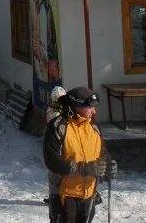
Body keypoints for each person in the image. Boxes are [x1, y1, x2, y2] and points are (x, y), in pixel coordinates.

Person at [43, 86, 117, 223]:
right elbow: (51, 161)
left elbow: (102, 154)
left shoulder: (94, 128)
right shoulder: (59, 126)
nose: (95, 111)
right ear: (77, 106)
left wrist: (108, 166)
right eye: (91, 107)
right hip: (64, 196)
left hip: (89, 195)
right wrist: (83, 168)